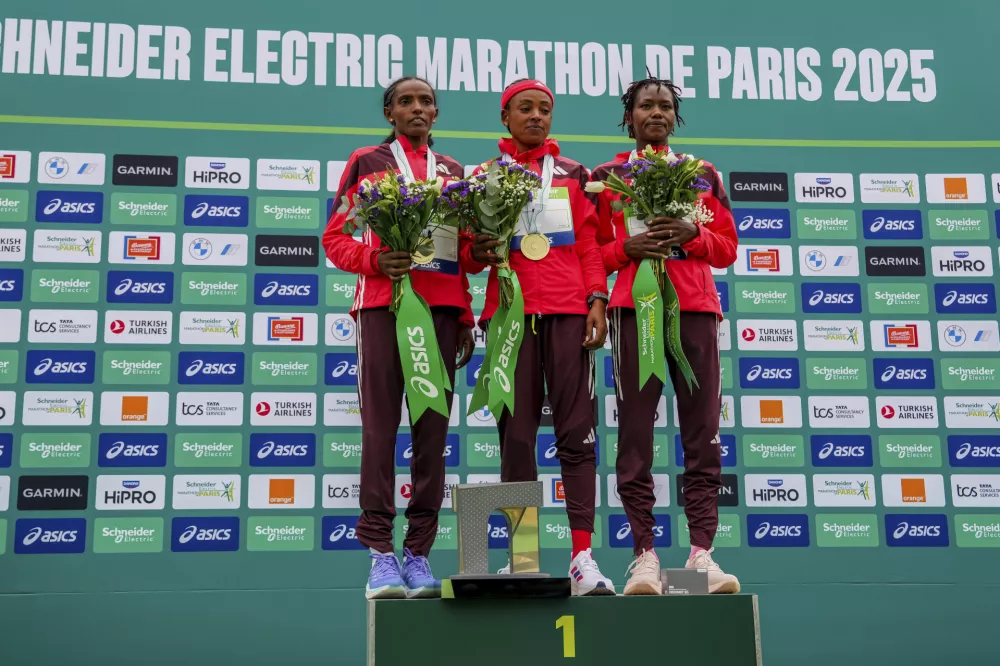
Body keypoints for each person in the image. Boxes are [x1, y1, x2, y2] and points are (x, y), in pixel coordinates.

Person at [323, 76, 476, 600]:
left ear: (436, 114)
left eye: (426, 101)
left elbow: (460, 254)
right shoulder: (367, 162)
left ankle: (418, 552)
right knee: (380, 432)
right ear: (390, 112)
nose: (417, 108)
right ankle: (380, 554)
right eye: (405, 101)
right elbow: (335, 237)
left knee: (432, 436)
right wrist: (373, 260)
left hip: (440, 313)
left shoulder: (454, 172)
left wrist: (465, 314)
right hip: (382, 310)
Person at [591, 76, 740, 595]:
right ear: (627, 116)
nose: (656, 113)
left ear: (677, 118)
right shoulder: (606, 178)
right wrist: (624, 252)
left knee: (702, 437)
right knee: (635, 436)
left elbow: (727, 248)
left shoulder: (701, 173)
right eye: (645, 105)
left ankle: (701, 555)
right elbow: (593, 255)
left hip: (696, 309)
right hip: (634, 312)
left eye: (666, 106)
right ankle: (645, 556)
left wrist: (693, 234)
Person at [468, 78, 614, 596]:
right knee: (517, 437)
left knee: (577, 435)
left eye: (545, 110)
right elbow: (468, 253)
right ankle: (523, 556)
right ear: (504, 117)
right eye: (524, 109)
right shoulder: (483, 178)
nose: (536, 117)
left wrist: (597, 297)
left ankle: (582, 558)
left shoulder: (576, 174)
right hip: (509, 315)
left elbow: (592, 245)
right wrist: (480, 250)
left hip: (569, 313)